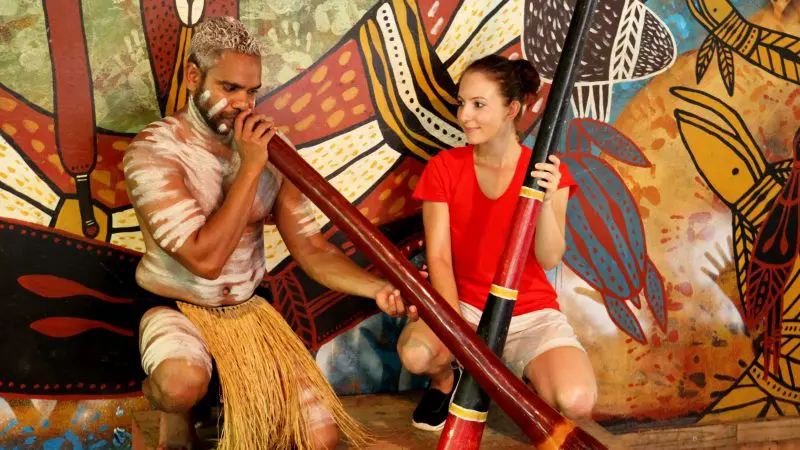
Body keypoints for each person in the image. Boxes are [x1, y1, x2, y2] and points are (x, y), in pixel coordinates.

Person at [123, 16, 416, 450]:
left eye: (252, 90)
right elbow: (204, 261)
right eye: (229, 88)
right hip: (176, 306)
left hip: (246, 312)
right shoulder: (154, 152)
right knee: (180, 383)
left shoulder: (270, 149)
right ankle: (172, 407)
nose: (243, 103)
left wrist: (374, 287)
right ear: (192, 77)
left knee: (319, 439)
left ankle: (225, 399)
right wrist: (251, 166)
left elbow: (311, 248)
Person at [396, 54, 597, 431]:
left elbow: (550, 257)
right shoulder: (444, 167)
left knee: (577, 400)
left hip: (530, 314)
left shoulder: (547, 170)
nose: (464, 116)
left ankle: (524, 375)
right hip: (465, 307)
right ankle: (446, 381)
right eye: (461, 104)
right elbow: (438, 257)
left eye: (478, 105)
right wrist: (457, 332)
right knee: (416, 354)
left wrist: (549, 198)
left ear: (512, 110)